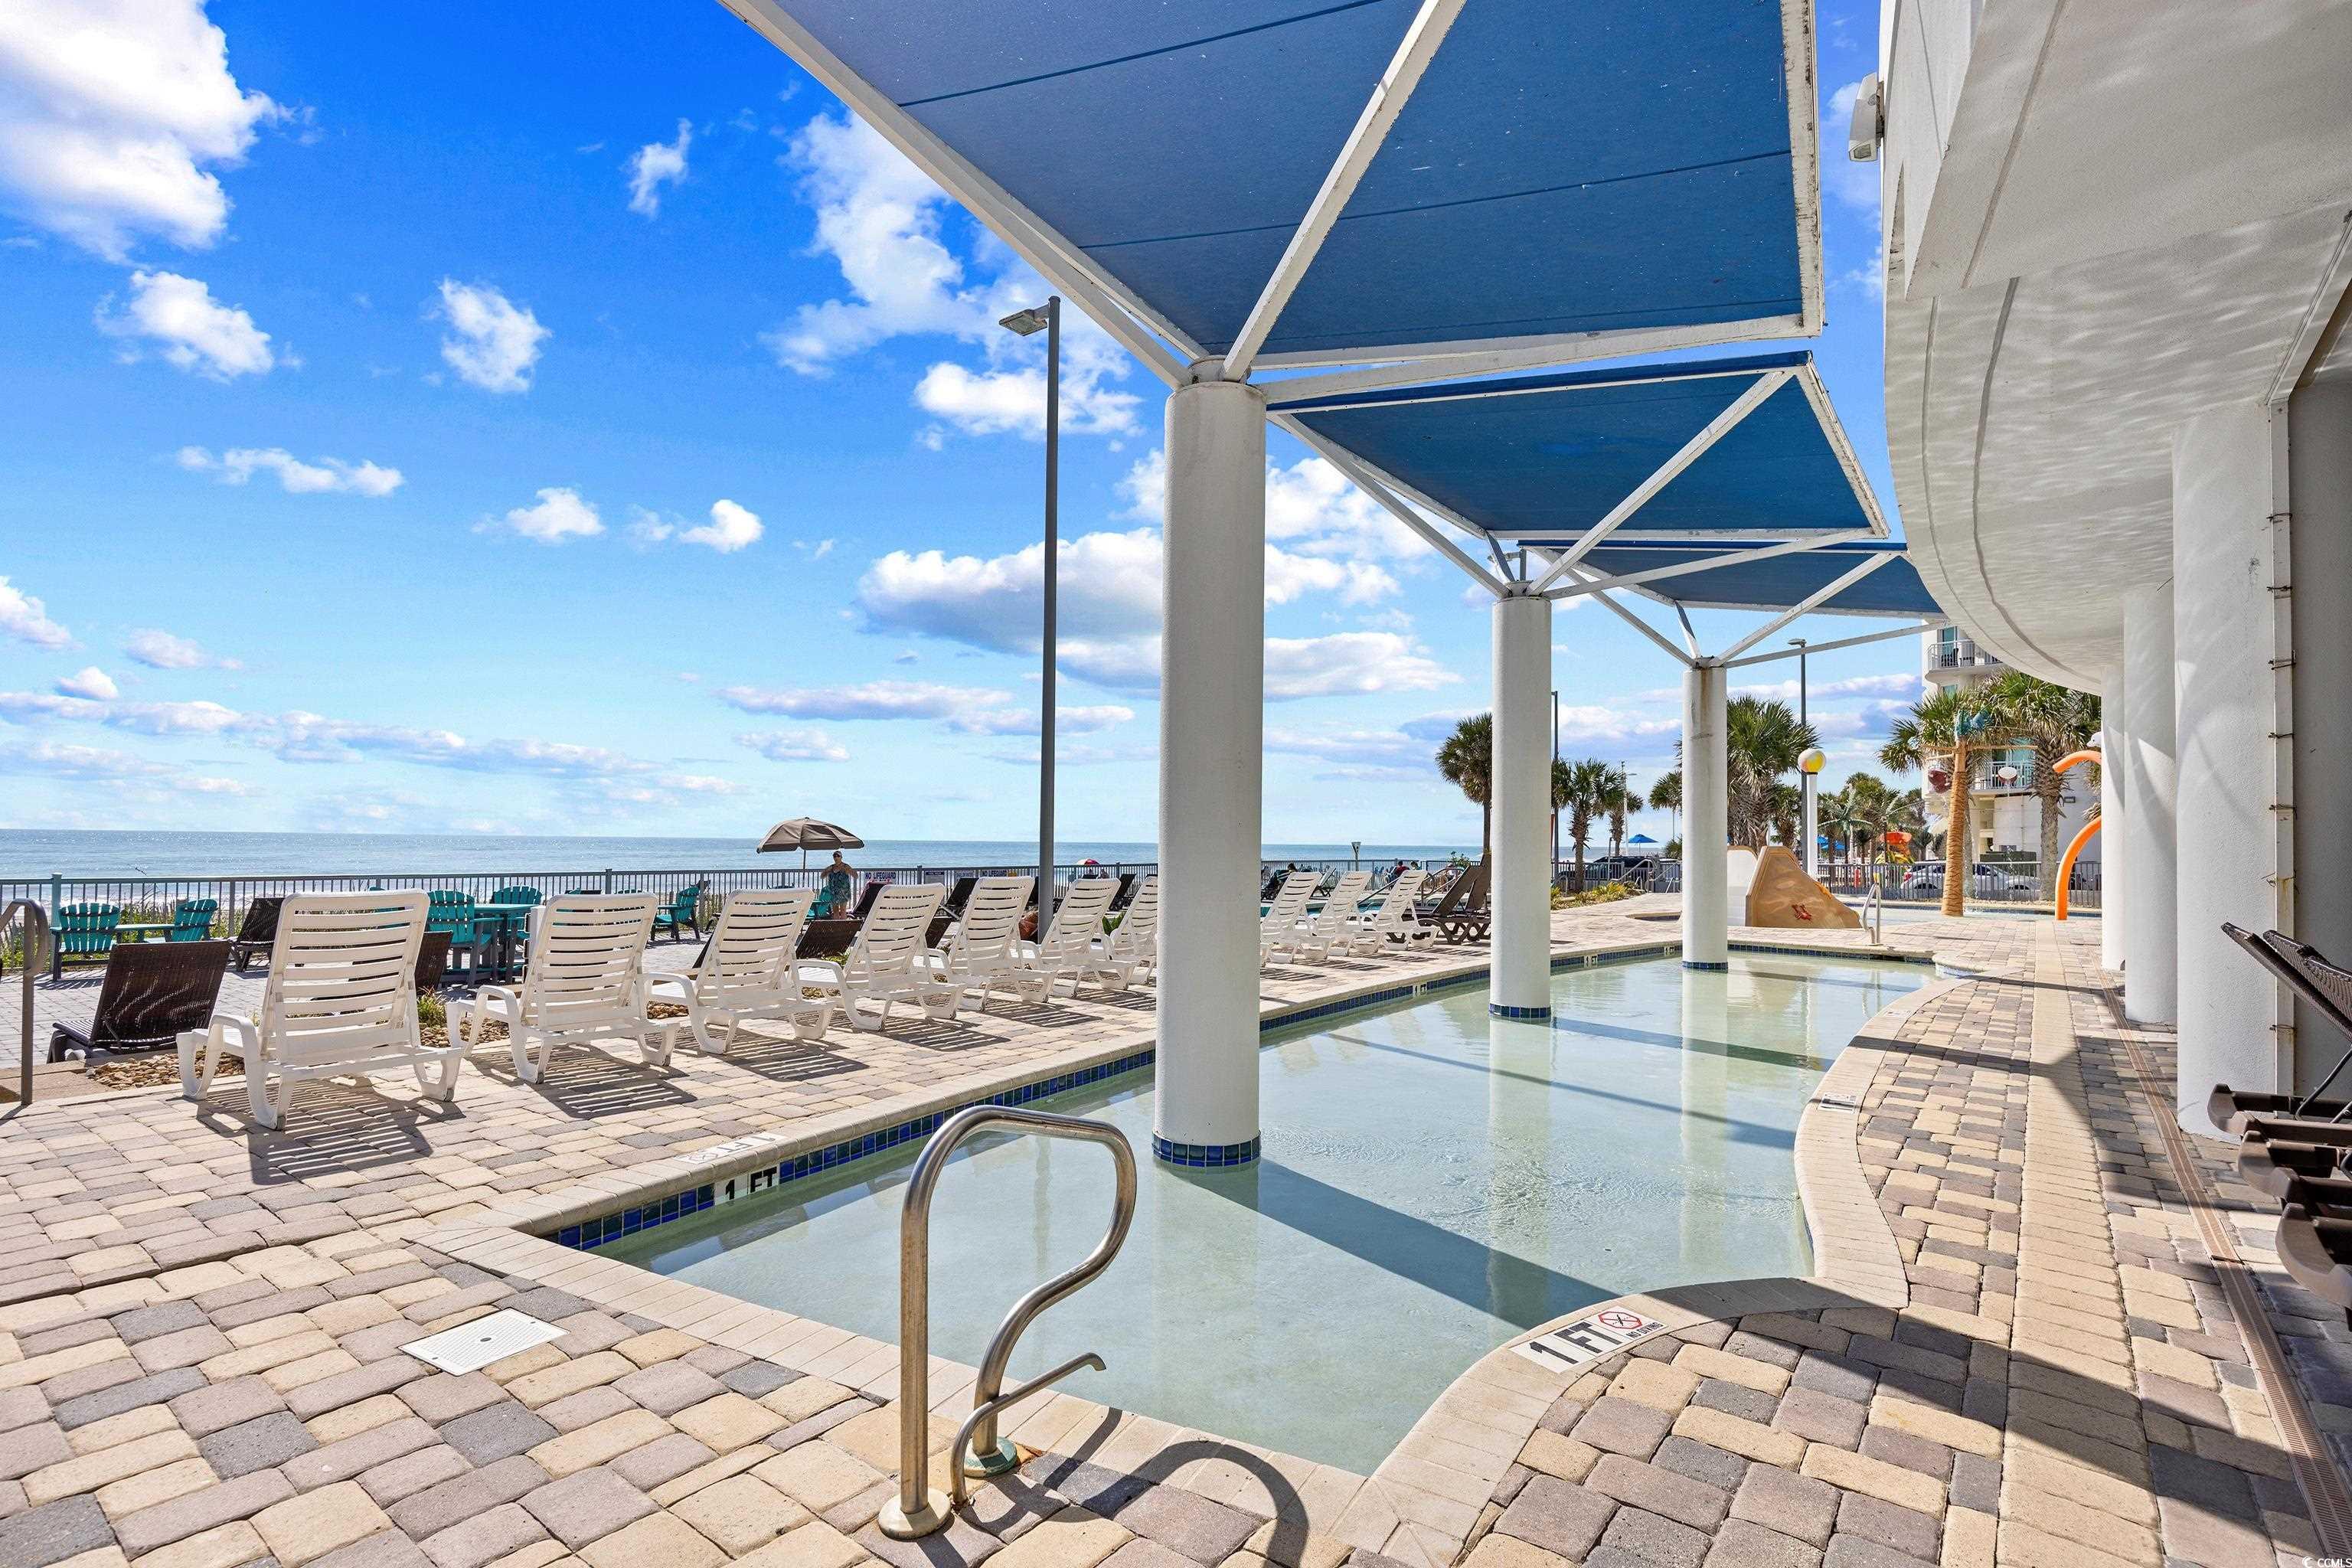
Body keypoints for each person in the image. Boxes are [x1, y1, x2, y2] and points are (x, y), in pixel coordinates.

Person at [816, 851, 856, 919]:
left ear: (841, 857)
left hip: (844, 892)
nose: (836, 857)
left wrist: (849, 870)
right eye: (834, 856)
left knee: (843, 910)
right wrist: (826, 871)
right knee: (835, 910)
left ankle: (843, 926)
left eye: (838, 856)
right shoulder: (831, 867)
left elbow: (855, 875)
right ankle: (837, 926)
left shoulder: (845, 866)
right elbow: (822, 876)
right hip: (833, 892)